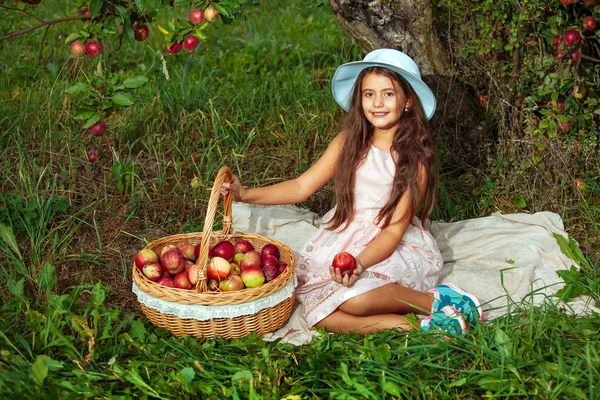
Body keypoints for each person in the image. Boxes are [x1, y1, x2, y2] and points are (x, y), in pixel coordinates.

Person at [221, 49, 483, 335]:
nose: (377, 103)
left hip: (389, 244)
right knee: (319, 315)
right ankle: (421, 328)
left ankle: (435, 300)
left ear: (408, 101)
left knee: (356, 300)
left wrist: (360, 263)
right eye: (369, 94)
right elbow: (301, 187)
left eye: (388, 94)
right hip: (346, 239)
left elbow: (394, 231)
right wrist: (246, 194)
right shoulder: (348, 142)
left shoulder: (413, 158)